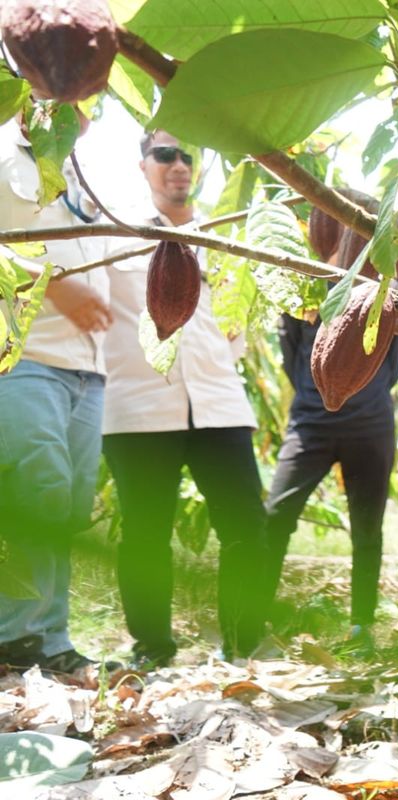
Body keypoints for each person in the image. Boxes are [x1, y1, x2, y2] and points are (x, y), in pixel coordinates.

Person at [101, 130, 267, 668]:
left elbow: (233, 329)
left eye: (187, 155)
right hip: (140, 406)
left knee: (245, 525)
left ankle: (244, 643)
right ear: (143, 164)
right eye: (165, 155)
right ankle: (152, 647)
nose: (178, 165)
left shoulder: (218, 236)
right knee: (145, 533)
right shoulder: (115, 232)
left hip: (218, 402)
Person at [0, 110, 116, 675]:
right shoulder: (4, 161)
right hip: (25, 360)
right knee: (36, 492)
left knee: (64, 506)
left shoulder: (80, 175)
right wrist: (54, 288)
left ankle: (50, 638)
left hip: (85, 370)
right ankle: (12, 636)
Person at [261, 224, 398, 650]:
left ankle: (361, 625)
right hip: (311, 422)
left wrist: (368, 392)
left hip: (371, 423)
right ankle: (254, 617)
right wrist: (318, 394)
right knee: (275, 516)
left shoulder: (383, 291)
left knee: (367, 529)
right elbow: (292, 354)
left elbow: (391, 361)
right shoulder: (305, 288)